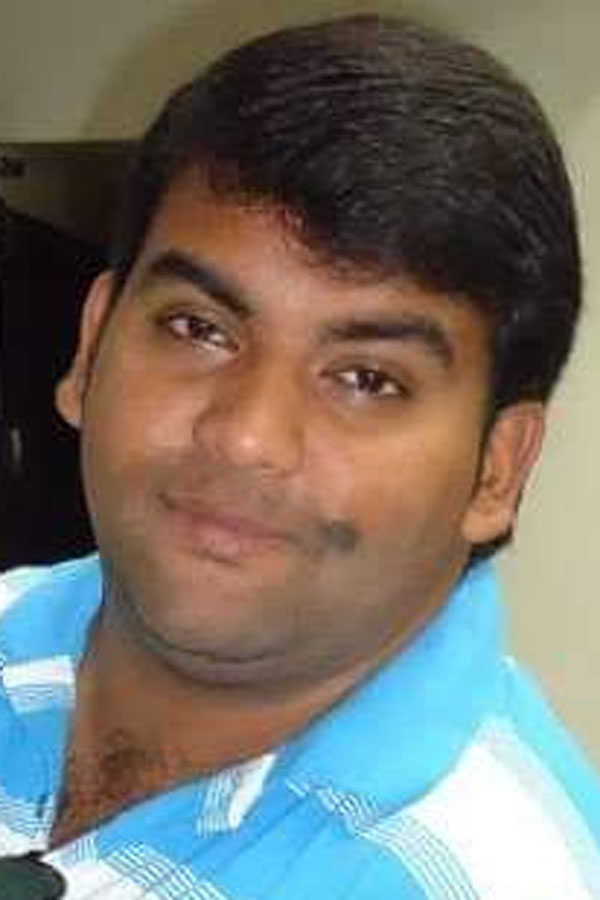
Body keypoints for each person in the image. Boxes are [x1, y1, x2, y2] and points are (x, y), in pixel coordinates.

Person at [1, 14, 599, 899]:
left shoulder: (486, 876)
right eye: (198, 328)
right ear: (91, 349)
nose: (246, 435)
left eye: (366, 379)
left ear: (496, 471)